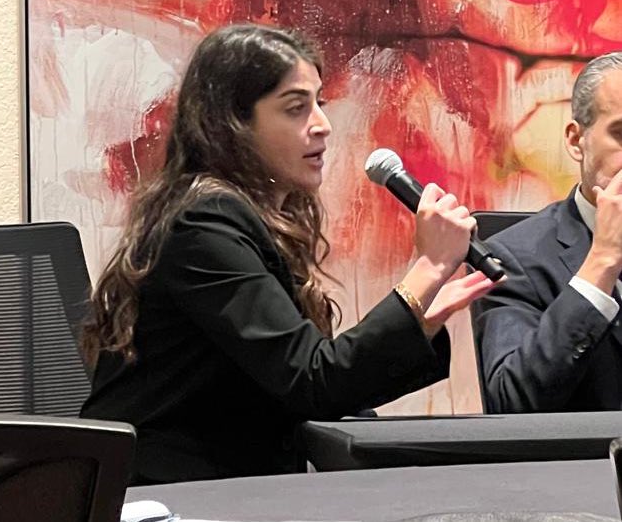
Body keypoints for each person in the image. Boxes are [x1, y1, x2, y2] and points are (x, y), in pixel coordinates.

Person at [81, 24, 493, 483]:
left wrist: (418, 319)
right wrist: (428, 268)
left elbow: (312, 383)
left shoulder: (251, 216)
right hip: (168, 494)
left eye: (319, 102)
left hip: (237, 485)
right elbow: (313, 383)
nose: (322, 124)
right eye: (296, 108)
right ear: (233, 125)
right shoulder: (202, 224)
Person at [475, 51, 622, 413]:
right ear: (576, 140)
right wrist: (602, 261)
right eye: (621, 133)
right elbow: (510, 401)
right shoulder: (511, 259)